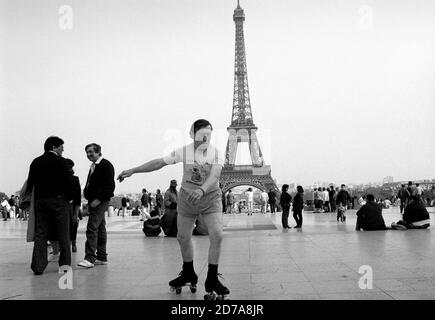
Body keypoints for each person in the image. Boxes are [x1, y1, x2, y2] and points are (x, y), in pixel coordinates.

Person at [117, 119, 230, 299]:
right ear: (192, 135)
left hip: (210, 197)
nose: (206, 139)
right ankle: (188, 272)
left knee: (217, 235)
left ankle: (212, 277)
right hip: (187, 197)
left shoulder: (216, 153)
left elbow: (215, 174)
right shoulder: (184, 151)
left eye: (209, 135)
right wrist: (133, 170)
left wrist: (201, 190)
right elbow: (159, 163)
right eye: (202, 135)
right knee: (182, 237)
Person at [25, 136, 73, 275]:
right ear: (54, 147)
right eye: (61, 147)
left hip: (41, 201)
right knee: (63, 234)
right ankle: (64, 266)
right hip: (59, 201)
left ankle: (38, 267)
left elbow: (30, 183)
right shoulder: (61, 162)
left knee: (41, 234)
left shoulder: (36, 162)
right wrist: (69, 199)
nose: (63, 149)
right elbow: (68, 183)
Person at [77, 143, 115, 268]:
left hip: (99, 201)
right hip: (94, 201)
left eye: (91, 152)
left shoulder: (105, 165)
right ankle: (102, 256)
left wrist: (98, 200)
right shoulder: (94, 166)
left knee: (92, 228)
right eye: (87, 152)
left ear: (98, 152)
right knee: (100, 228)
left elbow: (110, 187)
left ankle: (89, 258)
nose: (88, 155)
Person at [65, 158, 81, 253]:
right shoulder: (60, 179)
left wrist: (76, 213)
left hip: (72, 207)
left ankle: (73, 243)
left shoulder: (75, 179)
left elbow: (78, 197)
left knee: (73, 225)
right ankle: (69, 244)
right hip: (65, 207)